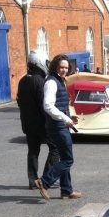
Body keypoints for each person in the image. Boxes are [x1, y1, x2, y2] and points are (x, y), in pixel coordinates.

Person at [34, 54, 81, 201]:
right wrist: (65, 118)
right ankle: (44, 181)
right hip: (56, 126)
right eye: (61, 67)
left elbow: (59, 105)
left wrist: (69, 117)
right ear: (55, 66)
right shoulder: (51, 82)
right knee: (68, 159)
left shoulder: (60, 81)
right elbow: (48, 106)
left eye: (66, 67)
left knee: (63, 157)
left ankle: (66, 190)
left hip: (60, 125)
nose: (64, 70)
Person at [16, 50, 59, 189]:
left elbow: (19, 101)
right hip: (42, 123)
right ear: (39, 62)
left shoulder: (22, 80)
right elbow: (43, 105)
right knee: (55, 148)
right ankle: (46, 179)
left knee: (33, 151)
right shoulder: (40, 81)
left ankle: (32, 180)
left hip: (28, 124)